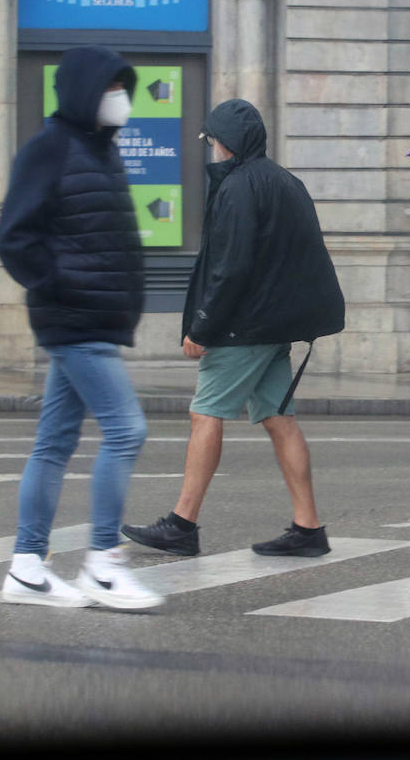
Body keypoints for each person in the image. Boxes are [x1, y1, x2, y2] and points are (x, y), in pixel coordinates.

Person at [121, 99, 345, 557]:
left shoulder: (239, 187)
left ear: (226, 141)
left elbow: (231, 266)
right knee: (280, 420)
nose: (212, 149)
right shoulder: (286, 181)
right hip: (274, 324)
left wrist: (203, 326)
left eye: (212, 140)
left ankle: (182, 524)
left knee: (206, 413)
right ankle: (308, 528)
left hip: (243, 326)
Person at [0, 45, 162, 611]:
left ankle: (26, 567)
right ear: (84, 91)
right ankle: (103, 565)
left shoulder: (102, 151)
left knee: (54, 442)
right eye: (111, 87)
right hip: (72, 316)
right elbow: (13, 236)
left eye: (124, 87)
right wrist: (57, 284)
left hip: (94, 316)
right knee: (126, 430)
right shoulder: (50, 148)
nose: (120, 98)